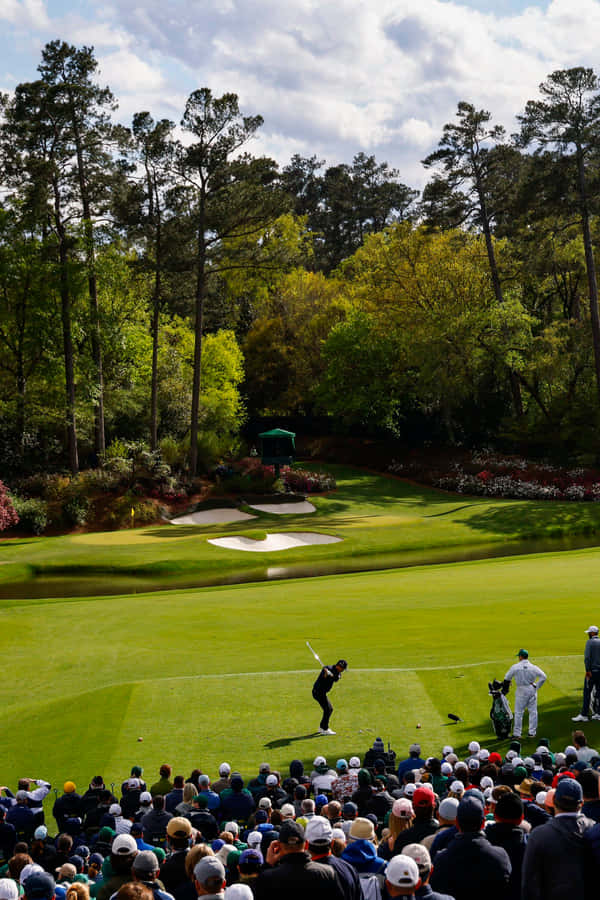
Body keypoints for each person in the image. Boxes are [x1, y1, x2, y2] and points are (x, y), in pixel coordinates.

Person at [503, 649, 546, 739]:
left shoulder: (515, 667)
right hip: (531, 689)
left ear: (521, 657)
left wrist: (509, 681)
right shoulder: (533, 667)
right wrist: (537, 686)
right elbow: (543, 677)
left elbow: (507, 677)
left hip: (521, 690)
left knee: (519, 713)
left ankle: (517, 733)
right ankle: (532, 733)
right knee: (533, 712)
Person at [311, 660, 347, 736]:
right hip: (318, 692)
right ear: (339, 666)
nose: (343, 670)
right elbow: (323, 678)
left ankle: (321, 728)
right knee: (328, 709)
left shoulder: (338, 673)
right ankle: (325, 729)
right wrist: (326, 674)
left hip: (322, 693)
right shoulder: (327, 668)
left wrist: (331, 675)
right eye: (343, 669)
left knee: (328, 709)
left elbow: (336, 679)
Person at [573, 625, 600, 722]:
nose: (588, 634)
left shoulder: (590, 642)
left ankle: (584, 714)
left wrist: (587, 670)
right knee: (598, 692)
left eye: (589, 632)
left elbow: (587, 658)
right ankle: (598, 713)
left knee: (587, 693)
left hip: (592, 672)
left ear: (592, 633)